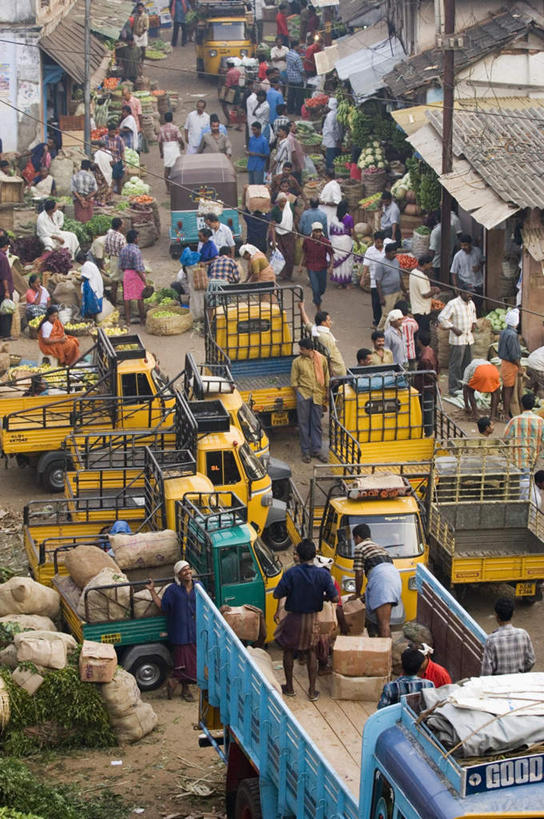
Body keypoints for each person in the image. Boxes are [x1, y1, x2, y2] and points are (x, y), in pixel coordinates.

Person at [273, 538, 338, 701]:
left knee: (288, 650)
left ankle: (289, 687)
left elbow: (277, 594)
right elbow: (335, 598)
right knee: (311, 652)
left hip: (293, 618)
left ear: (298, 556)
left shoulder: (291, 573)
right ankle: (312, 690)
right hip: (312, 620)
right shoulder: (323, 575)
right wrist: (321, 595)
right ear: (315, 555)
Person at [146, 561, 198, 701]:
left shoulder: (199, 587)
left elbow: (206, 604)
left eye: (188, 569)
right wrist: (151, 590)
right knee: (182, 663)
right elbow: (163, 606)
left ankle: (180, 685)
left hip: (194, 631)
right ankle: (177, 684)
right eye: (183, 570)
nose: (187, 572)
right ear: (178, 575)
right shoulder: (173, 590)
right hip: (179, 632)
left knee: (192, 664)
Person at [352, 523, 402, 638]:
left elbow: (359, 573)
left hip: (382, 581)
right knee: (384, 623)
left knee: (383, 624)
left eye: (354, 539)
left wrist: (357, 594)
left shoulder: (360, 547)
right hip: (394, 578)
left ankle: (385, 654)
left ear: (358, 537)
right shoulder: (380, 547)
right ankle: (383, 649)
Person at [290, 336, 329, 463]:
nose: (300, 351)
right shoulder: (297, 362)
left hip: (318, 395)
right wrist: (299, 395)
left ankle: (316, 450)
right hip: (304, 394)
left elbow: (326, 377)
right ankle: (305, 451)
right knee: (303, 424)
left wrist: (326, 393)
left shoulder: (322, 359)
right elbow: (294, 381)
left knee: (316, 423)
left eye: (302, 349)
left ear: (309, 349)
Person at [481, 597, 535, 676]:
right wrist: (521, 673)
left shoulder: (491, 640)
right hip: (518, 682)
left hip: (498, 685)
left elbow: (486, 672)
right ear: (513, 613)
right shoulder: (523, 634)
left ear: (496, 616)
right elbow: (531, 660)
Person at [438, 291, 477, 395]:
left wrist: (473, 323)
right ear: (461, 293)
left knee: (467, 364)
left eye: (471, 294)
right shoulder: (453, 303)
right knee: (456, 365)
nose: (470, 295)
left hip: (468, 338)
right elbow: (441, 317)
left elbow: (473, 315)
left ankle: (464, 386)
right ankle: (454, 388)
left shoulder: (471, 303)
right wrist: (452, 327)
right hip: (458, 340)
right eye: (468, 293)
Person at [299, 302, 346, 377]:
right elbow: (329, 357)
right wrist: (332, 374)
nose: (330, 322)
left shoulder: (315, 330)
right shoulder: (325, 338)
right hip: (337, 370)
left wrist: (301, 308)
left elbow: (307, 322)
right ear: (323, 323)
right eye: (329, 320)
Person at [504, 392, 544, 472]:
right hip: (533, 457)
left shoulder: (515, 420)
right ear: (533, 405)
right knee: (529, 478)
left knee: (521, 479)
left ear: (521, 405)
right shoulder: (540, 421)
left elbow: (505, 438)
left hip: (518, 458)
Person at [300, 224, 333, 309]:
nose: (318, 234)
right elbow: (304, 253)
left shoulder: (325, 242)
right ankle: (318, 304)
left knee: (322, 288)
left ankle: (317, 297)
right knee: (315, 288)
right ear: (313, 231)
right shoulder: (307, 241)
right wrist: (300, 265)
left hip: (322, 267)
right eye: (316, 231)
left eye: (319, 232)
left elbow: (331, 254)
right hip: (311, 266)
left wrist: (331, 266)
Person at [375, 242, 406, 329]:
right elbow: (378, 281)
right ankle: (380, 330)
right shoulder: (381, 264)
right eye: (393, 253)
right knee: (386, 315)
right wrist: (381, 297)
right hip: (387, 294)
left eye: (395, 253)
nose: (395, 255)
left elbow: (400, 277)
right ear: (387, 253)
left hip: (397, 291)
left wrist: (404, 291)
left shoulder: (396, 261)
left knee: (397, 313)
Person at [119, 229, 147, 325]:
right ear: (135, 239)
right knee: (140, 297)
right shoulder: (136, 251)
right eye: (137, 237)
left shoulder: (123, 250)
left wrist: (127, 271)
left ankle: (127, 321)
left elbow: (121, 266)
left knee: (127, 297)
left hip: (127, 274)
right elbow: (138, 269)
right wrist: (144, 281)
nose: (138, 239)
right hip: (136, 275)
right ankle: (142, 320)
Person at [451, 234, 484, 311]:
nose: (463, 247)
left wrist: (479, 266)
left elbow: (483, 260)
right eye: (462, 245)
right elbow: (453, 272)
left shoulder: (477, 251)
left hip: (478, 283)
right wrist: (455, 286)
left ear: (470, 244)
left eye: (465, 245)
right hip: (465, 283)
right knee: (467, 305)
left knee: (478, 304)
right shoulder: (458, 256)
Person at [498, 307, 521, 419]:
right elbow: (514, 355)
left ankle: (504, 410)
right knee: (508, 389)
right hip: (510, 364)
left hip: (504, 363)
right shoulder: (512, 335)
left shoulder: (504, 332)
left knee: (506, 387)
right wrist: (519, 366)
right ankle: (506, 413)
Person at [409, 251, 439, 333]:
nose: (431, 266)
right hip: (422, 311)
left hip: (416, 308)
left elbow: (422, 288)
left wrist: (432, 288)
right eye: (430, 264)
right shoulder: (421, 277)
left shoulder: (414, 272)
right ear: (425, 264)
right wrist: (435, 291)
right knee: (423, 333)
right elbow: (425, 295)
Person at [269, 192, 296, 281]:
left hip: (289, 235)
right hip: (279, 236)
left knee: (290, 255)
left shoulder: (290, 206)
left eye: (285, 201)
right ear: (278, 201)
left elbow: (292, 220)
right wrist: (273, 240)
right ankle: (282, 274)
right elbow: (272, 227)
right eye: (282, 202)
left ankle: (289, 275)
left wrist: (295, 230)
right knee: (281, 255)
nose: (284, 203)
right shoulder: (275, 211)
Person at [361, 231, 385, 328]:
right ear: (374, 241)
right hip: (374, 281)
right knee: (376, 303)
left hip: (386, 280)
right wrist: (363, 278)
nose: (379, 244)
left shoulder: (386, 250)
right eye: (377, 242)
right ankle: (377, 322)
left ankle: (384, 323)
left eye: (381, 242)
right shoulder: (370, 251)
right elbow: (366, 266)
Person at [329, 200, 354, 288]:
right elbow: (351, 232)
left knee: (338, 261)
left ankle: (340, 283)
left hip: (336, 242)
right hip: (345, 242)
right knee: (346, 261)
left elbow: (331, 232)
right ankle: (346, 283)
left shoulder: (334, 219)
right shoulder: (349, 218)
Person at [158, 111, 184, 191]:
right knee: (177, 166)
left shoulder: (161, 129)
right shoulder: (175, 128)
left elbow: (159, 142)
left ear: (165, 119)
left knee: (167, 168)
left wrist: (161, 152)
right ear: (172, 119)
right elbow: (179, 138)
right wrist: (182, 145)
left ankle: (168, 188)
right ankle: (177, 185)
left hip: (166, 148)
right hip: (174, 147)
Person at [104, 217, 127, 305]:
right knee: (124, 283)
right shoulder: (121, 237)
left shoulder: (108, 234)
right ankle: (126, 304)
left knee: (114, 283)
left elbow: (106, 248)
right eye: (123, 224)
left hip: (113, 259)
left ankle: (113, 304)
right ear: (120, 226)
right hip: (121, 260)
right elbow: (124, 252)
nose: (123, 226)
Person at [429, 213, 458, 279]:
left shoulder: (435, 231)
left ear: (436, 220)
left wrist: (429, 263)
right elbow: (456, 244)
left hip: (437, 263)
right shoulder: (452, 228)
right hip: (449, 261)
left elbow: (432, 250)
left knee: (438, 282)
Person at [77, 252, 104, 321]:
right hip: (95, 285)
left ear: (81, 260)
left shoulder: (86, 265)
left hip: (92, 287)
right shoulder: (90, 264)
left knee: (91, 305)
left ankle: (92, 320)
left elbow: (84, 277)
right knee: (91, 305)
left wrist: (77, 278)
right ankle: (92, 319)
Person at [100, 122, 125, 194]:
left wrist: (124, 162)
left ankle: (120, 194)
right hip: (108, 162)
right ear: (109, 131)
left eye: (115, 131)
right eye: (112, 131)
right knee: (111, 180)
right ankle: (110, 195)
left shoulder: (119, 139)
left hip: (117, 161)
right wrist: (109, 149)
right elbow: (100, 149)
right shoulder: (103, 138)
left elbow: (122, 152)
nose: (113, 133)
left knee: (119, 180)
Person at [395, 300, 419, 369]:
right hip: (411, 353)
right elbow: (416, 329)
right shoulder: (412, 322)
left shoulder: (395, 323)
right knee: (411, 374)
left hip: (399, 355)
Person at [322, 98, 342, 172]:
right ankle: (331, 171)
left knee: (331, 156)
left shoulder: (331, 115)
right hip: (332, 139)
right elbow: (333, 129)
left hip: (331, 139)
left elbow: (331, 129)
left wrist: (337, 139)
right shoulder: (334, 114)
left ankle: (331, 172)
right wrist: (337, 138)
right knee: (332, 155)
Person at [0, 234, 14, 340]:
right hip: (3, 289)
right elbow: (4, 276)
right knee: (7, 312)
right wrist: (7, 291)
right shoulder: (3, 258)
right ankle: (6, 334)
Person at [221, 60, 242, 127]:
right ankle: (239, 125)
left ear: (228, 66)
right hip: (237, 88)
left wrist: (225, 95)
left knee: (224, 105)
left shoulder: (229, 73)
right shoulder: (237, 71)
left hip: (231, 89)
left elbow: (227, 85)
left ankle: (229, 121)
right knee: (237, 107)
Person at [286, 41, 305, 115]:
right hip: (297, 79)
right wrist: (305, 76)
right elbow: (301, 70)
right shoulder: (297, 57)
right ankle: (298, 112)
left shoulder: (288, 54)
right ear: (295, 46)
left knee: (291, 96)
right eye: (299, 46)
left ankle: (290, 110)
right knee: (299, 97)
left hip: (290, 78)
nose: (299, 48)